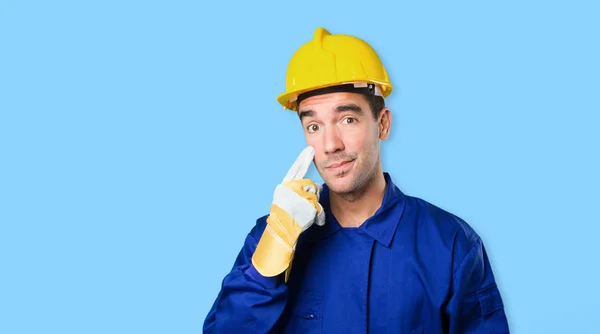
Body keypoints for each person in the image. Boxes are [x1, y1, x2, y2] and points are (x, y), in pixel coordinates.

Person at [203, 27, 510, 333]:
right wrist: (267, 265)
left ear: (383, 124)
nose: (330, 144)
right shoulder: (272, 237)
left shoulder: (450, 243)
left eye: (347, 119)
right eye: (313, 126)